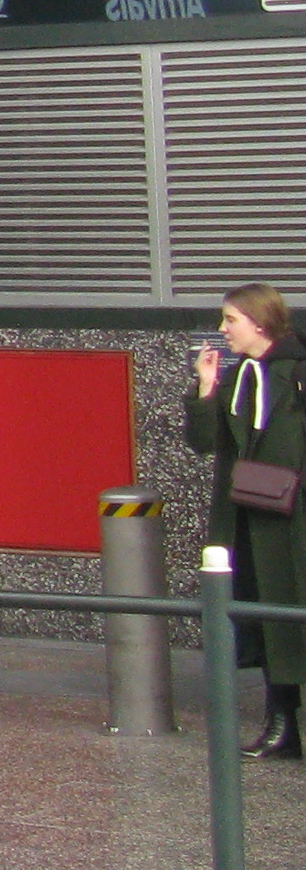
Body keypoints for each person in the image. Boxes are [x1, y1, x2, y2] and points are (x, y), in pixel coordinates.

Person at [192, 283, 306, 762]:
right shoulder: (238, 377)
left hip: (293, 519)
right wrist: (205, 388)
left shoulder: (296, 373)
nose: (222, 330)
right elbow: (205, 442)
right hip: (248, 517)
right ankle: (282, 725)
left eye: (230, 320)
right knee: (264, 619)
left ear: (259, 322)